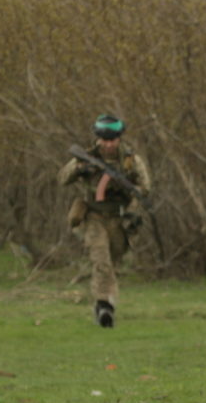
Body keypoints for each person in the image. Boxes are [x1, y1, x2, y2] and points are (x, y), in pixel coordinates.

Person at [58, 114, 151, 327]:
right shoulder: (86, 157)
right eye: (104, 140)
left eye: (113, 140)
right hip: (93, 217)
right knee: (101, 260)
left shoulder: (130, 160)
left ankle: (105, 301)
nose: (108, 145)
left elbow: (145, 187)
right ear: (98, 138)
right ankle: (104, 306)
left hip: (119, 219)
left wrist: (126, 187)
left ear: (119, 138)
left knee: (113, 262)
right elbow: (62, 178)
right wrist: (79, 169)